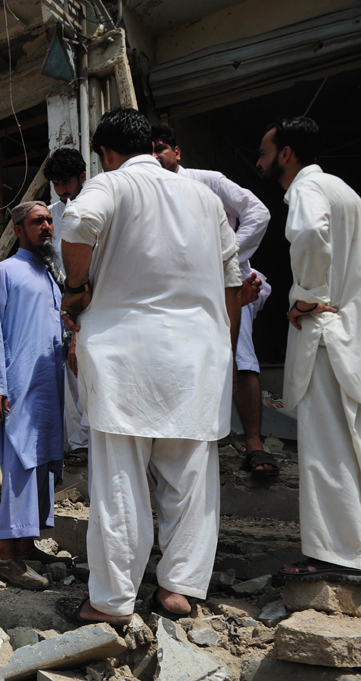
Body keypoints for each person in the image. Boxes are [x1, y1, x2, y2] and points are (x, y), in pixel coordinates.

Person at [56, 108, 242, 625]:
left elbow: (77, 222)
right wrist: (222, 342)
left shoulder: (113, 184)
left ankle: (112, 602)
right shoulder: (205, 198)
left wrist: (75, 289)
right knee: (190, 478)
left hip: (127, 355)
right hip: (198, 356)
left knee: (120, 479)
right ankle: (178, 589)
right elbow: (232, 275)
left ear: (107, 153)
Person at [256, 117, 361, 581]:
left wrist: (306, 296)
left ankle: (336, 554)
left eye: (264, 151)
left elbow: (312, 233)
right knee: (348, 439)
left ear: (286, 154)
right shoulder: (346, 191)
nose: (259, 159)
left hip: (324, 330)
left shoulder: (306, 190)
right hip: (348, 326)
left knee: (325, 445)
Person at [152, 124, 276, 478]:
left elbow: (258, 212)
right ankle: (202, 436)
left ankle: (254, 442)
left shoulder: (209, 181)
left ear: (177, 152)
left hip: (231, 283)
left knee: (241, 356)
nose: (156, 155)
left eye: (162, 148)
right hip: (182, 290)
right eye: (150, 151)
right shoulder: (152, 192)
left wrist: (228, 258)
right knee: (188, 359)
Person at [0, 201, 65, 590]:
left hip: (47, 387)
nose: (45, 227)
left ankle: (25, 543)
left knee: (40, 462)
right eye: (36, 222)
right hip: (17, 386)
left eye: (48, 221)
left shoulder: (51, 276)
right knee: (22, 463)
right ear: (18, 231)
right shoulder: (3, 272)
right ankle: (4, 555)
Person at [44, 147, 90, 467]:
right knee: (69, 373)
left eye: (67, 182)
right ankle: (79, 443)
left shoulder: (98, 206)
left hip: (96, 297)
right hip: (65, 303)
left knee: (93, 370)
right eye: (57, 184)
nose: (63, 191)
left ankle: (98, 438)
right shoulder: (51, 215)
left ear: (83, 177)